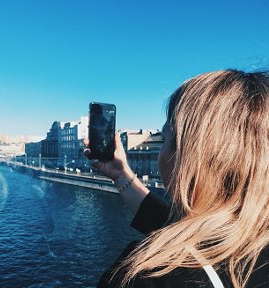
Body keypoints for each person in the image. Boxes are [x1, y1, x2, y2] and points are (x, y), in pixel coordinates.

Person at [86, 69, 269, 288]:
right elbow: (173, 226)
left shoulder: (150, 275)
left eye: (165, 138)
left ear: (189, 157)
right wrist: (120, 173)